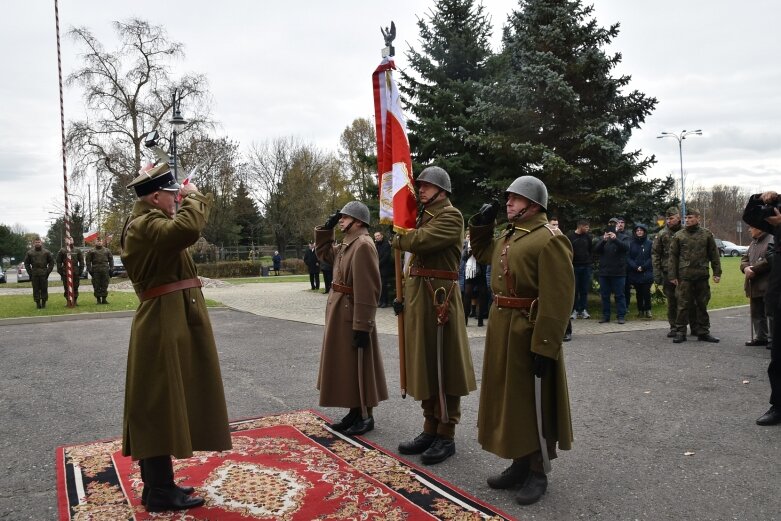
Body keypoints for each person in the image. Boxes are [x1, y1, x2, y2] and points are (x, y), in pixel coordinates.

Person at [121, 149, 231, 512]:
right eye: (173, 195)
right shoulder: (146, 225)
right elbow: (187, 228)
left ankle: (161, 486)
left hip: (171, 319)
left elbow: (181, 235)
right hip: (161, 323)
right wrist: (196, 196)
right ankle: (159, 491)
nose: (177, 199)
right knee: (156, 405)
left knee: (165, 404)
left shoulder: (152, 222)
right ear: (155, 197)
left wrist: (186, 199)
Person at [468, 175, 574, 505]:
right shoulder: (510, 236)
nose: (508, 202)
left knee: (534, 399)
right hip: (503, 327)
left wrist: (546, 345)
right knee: (510, 398)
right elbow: (484, 252)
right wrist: (482, 225)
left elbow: (558, 298)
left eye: (515, 198)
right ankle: (518, 462)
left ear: (533, 204)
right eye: (508, 197)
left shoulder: (548, 239)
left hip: (530, 329)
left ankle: (537, 470)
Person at [391, 166, 476, 465]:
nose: (421, 189)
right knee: (426, 365)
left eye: (427, 185)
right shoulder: (422, 217)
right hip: (421, 299)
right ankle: (430, 427)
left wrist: (399, 237)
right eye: (421, 185)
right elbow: (412, 257)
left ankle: (446, 433)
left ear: (442, 190)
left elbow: (420, 242)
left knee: (444, 366)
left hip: (440, 299)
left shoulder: (451, 216)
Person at [315, 201, 388, 435]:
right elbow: (325, 255)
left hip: (353, 313)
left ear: (358, 221)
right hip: (341, 311)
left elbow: (369, 288)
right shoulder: (349, 243)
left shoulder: (364, 245)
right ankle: (355, 411)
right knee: (348, 366)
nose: (341, 219)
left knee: (360, 364)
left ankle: (366, 415)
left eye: (345, 217)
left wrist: (363, 324)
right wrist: (325, 231)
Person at [743, 192, 781, 425]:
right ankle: (778, 406)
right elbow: (751, 216)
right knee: (777, 358)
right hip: (778, 298)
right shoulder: (776, 209)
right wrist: (759, 198)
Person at [669, 208, 722, 343]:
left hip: (701, 276)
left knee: (702, 305)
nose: (687, 220)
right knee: (682, 305)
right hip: (684, 277)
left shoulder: (707, 234)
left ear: (698, 218)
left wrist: (717, 272)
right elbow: (673, 257)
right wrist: (672, 275)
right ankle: (681, 332)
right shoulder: (679, 235)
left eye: (690, 217)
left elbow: (714, 254)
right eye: (686, 218)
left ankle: (703, 331)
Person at [652, 207, 684, 338]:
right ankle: (674, 327)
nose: (669, 221)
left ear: (678, 218)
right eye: (667, 218)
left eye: (671, 218)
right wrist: (657, 273)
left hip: (684, 271)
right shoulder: (662, 234)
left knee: (686, 300)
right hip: (667, 272)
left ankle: (692, 326)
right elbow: (655, 254)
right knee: (672, 301)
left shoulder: (685, 232)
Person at [740, 225, 773, 346]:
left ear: (759, 228)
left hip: (767, 282)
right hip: (753, 284)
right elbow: (744, 258)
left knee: (770, 313)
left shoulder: (772, 239)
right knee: (756, 311)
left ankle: (773, 339)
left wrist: (754, 269)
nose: (749, 230)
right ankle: (761, 337)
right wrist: (746, 268)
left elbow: (769, 260)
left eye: (751, 227)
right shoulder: (753, 243)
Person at [594, 217, 629, 323]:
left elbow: (626, 248)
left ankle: (621, 316)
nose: (614, 225)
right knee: (605, 295)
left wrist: (615, 239)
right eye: (611, 223)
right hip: (604, 272)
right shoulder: (603, 237)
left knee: (619, 295)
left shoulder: (624, 237)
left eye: (616, 223)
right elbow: (596, 250)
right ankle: (606, 316)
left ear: (619, 225)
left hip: (618, 272)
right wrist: (604, 240)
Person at [566, 219, 593, 319]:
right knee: (575, 289)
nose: (588, 229)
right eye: (586, 227)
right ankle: (575, 310)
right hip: (574, 266)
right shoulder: (570, 236)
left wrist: (589, 261)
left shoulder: (588, 237)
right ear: (580, 226)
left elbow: (590, 249)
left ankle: (584, 309)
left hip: (586, 266)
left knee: (584, 289)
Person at [627, 223, 654, 318]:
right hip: (635, 272)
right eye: (637, 230)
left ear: (644, 232)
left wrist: (643, 267)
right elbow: (629, 258)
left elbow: (652, 257)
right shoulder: (631, 243)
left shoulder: (649, 243)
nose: (639, 232)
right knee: (638, 293)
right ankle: (640, 310)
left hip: (646, 272)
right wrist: (635, 267)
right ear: (635, 232)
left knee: (646, 292)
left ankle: (648, 309)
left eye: (641, 230)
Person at [462, 232, 488, 327]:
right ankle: (465, 320)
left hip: (480, 271)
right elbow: (463, 258)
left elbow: (486, 258)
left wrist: (477, 253)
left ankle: (480, 320)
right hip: (469, 272)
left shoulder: (482, 244)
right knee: (467, 294)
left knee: (482, 295)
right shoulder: (466, 244)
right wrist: (469, 253)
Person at [24, 237, 54, 309]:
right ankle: (37, 303)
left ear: (41, 243)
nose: (37, 243)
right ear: (34, 243)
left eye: (39, 242)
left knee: (44, 289)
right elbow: (26, 263)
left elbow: (51, 262)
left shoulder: (46, 252)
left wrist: (48, 272)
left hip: (44, 273)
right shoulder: (30, 253)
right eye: (36, 242)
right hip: (34, 274)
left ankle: (43, 303)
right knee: (35, 289)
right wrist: (30, 273)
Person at [56, 237, 84, 305]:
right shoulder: (62, 251)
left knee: (75, 286)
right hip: (66, 272)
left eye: (71, 239)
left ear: (73, 241)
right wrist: (61, 272)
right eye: (68, 239)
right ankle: (68, 301)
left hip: (75, 272)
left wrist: (80, 271)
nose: (70, 241)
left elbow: (81, 261)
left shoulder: (77, 250)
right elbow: (58, 262)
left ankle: (75, 300)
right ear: (65, 241)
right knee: (66, 287)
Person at [86, 238, 113, 304]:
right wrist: (89, 269)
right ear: (95, 242)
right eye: (98, 241)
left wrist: (111, 268)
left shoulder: (107, 250)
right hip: (95, 270)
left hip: (105, 270)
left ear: (102, 242)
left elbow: (111, 260)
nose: (99, 242)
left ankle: (104, 299)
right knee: (96, 285)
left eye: (100, 241)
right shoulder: (91, 251)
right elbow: (88, 261)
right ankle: (98, 299)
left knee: (105, 284)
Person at [374, 231, 392, 307]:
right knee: (378, 285)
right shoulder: (375, 245)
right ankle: (380, 301)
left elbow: (386, 256)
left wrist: (378, 264)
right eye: (376, 236)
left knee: (383, 285)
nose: (377, 237)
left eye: (378, 235)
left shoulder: (386, 244)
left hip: (384, 268)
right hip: (377, 268)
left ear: (381, 236)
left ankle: (385, 301)